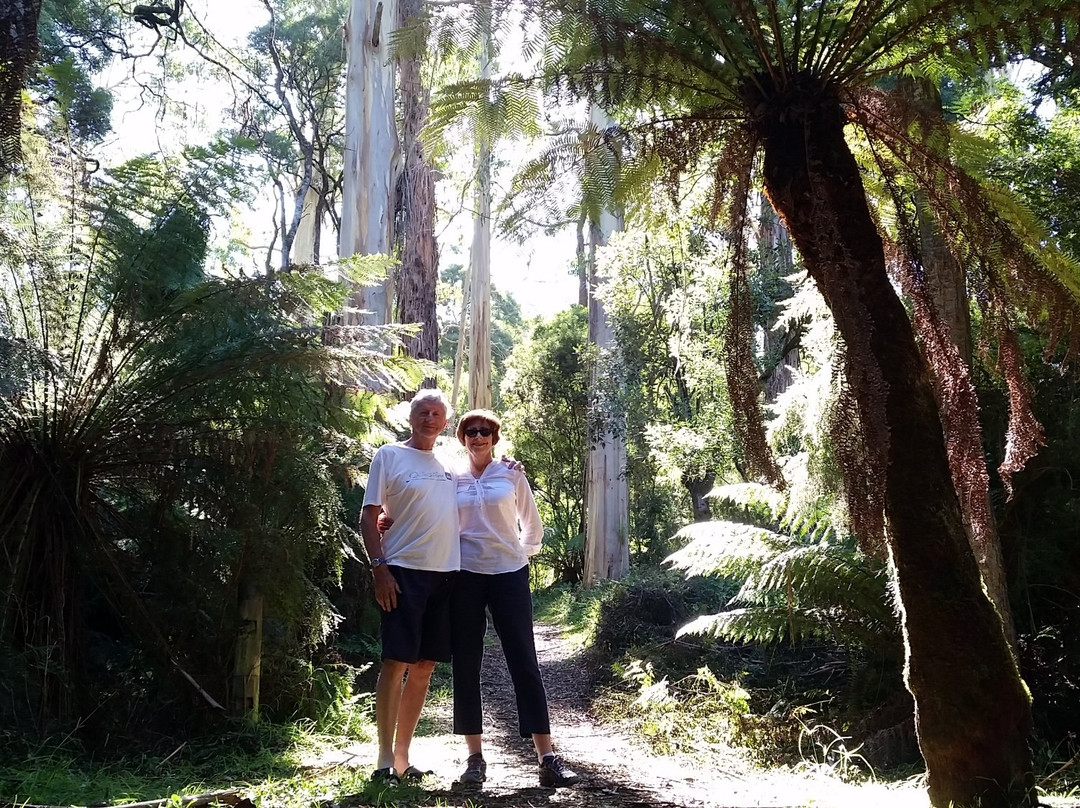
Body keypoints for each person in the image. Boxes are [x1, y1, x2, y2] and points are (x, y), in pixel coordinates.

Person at [450, 408, 580, 789]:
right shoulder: (450, 476)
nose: (478, 436)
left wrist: (520, 555)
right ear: (462, 438)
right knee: (466, 663)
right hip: (465, 575)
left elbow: (531, 523)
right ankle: (474, 759)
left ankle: (547, 757)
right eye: (471, 431)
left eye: (485, 431)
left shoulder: (511, 473)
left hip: (508, 574)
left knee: (524, 659)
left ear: (494, 437)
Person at [359, 389, 459, 785]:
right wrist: (379, 566)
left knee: (424, 666)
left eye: (436, 413)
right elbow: (369, 517)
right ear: (411, 417)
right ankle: (383, 761)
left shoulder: (451, 462)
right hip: (403, 570)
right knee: (395, 661)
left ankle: (403, 758)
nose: (429, 418)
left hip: (448, 574)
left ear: (445, 422)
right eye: (422, 411)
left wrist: (511, 466)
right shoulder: (389, 455)